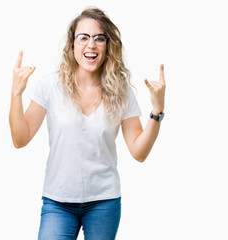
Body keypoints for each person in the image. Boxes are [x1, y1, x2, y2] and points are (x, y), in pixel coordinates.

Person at [9, 7, 166, 240]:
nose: (91, 45)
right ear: (72, 45)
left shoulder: (121, 91)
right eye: (83, 37)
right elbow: (20, 139)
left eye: (99, 38)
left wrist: (157, 110)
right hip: (57, 201)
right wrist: (16, 94)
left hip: (104, 202)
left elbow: (139, 152)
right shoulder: (50, 86)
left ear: (107, 46)